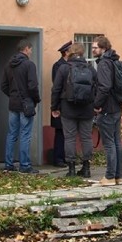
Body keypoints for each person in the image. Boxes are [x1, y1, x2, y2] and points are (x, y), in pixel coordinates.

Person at [51, 43, 96, 177]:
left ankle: (71, 169)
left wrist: (54, 107)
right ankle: (86, 168)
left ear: (70, 53)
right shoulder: (90, 68)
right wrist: (95, 104)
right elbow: (98, 87)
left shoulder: (64, 68)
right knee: (86, 138)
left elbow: (56, 89)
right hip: (87, 109)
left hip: (68, 108)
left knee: (69, 138)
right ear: (82, 53)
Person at [0, 39, 40, 174]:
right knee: (25, 134)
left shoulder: (8, 65)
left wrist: (12, 95)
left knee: (12, 134)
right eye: (31, 49)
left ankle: (8, 164)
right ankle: (25, 165)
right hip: (26, 104)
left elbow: (3, 86)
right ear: (27, 49)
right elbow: (33, 86)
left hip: (13, 104)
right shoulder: (29, 65)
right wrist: (35, 99)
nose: (31, 51)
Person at [91, 36, 122, 186]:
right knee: (117, 142)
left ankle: (109, 176)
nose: (92, 50)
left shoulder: (104, 63)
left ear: (103, 48)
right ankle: (118, 176)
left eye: (95, 47)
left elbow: (104, 87)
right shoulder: (114, 61)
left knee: (109, 143)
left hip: (107, 109)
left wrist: (96, 104)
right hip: (116, 107)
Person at [49, 40, 72, 168]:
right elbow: (57, 86)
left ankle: (67, 157)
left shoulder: (70, 65)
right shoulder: (58, 66)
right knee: (60, 132)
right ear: (66, 52)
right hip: (60, 104)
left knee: (68, 133)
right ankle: (58, 158)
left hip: (67, 103)